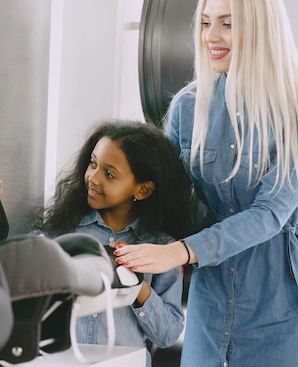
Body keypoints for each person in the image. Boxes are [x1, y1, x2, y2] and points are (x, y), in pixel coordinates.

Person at [113, 0, 298, 367]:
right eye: (204, 23)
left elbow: (271, 212)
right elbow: (171, 201)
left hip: (285, 293)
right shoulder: (187, 107)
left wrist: (182, 252)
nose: (210, 37)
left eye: (227, 24)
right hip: (212, 291)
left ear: (259, 29)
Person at [32, 119, 196, 367]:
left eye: (109, 174)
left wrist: (137, 287)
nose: (93, 178)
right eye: (92, 164)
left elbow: (168, 335)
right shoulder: (63, 231)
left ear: (143, 190)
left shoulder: (162, 249)